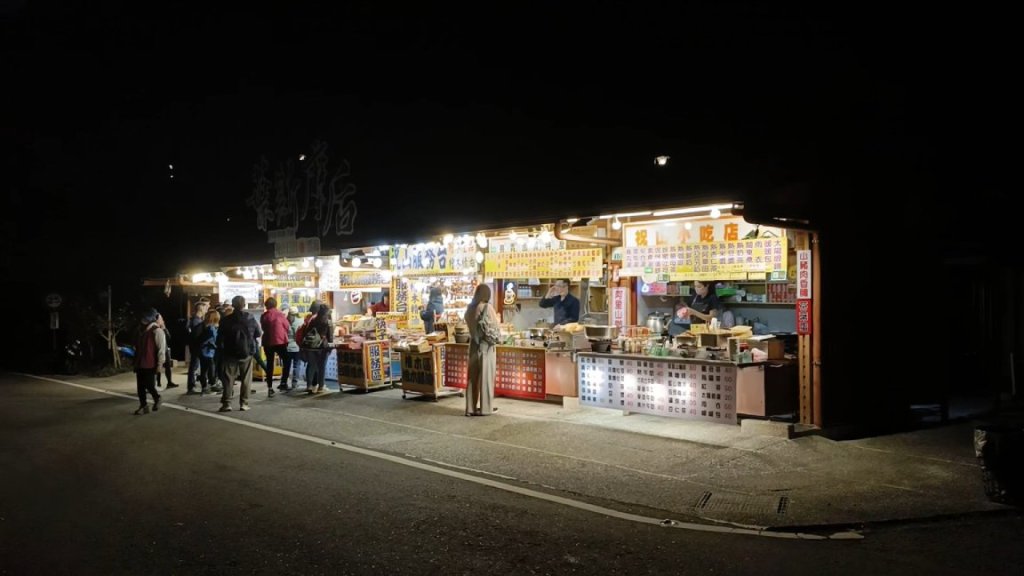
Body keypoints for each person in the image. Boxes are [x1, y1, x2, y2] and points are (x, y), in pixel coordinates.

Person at [215, 295, 261, 412]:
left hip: (229, 353)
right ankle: (244, 403)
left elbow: (220, 337)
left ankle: (227, 404)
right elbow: (258, 333)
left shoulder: (226, 320)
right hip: (247, 353)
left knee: (228, 379)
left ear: (233, 305)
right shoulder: (250, 318)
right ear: (244, 305)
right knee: (246, 379)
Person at [464, 283, 499, 416]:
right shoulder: (486, 307)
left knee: (472, 379)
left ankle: (470, 408)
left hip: (473, 345)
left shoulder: (470, 308)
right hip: (486, 346)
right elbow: (495, 327)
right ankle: (486, 408)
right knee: (486, 378)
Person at [133, 308, 166, 415]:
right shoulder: (141, 330)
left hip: (150, 363)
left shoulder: (157, 331)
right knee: (140, 387)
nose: (143, 319)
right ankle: (143, 406)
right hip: (140, 362)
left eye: (145, 317)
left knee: (149, 385)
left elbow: (161, 350)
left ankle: (157, 398)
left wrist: (160, 364)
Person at [259, 297, 291, 396]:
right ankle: (283, 382)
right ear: (276, 305)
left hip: (268, 341)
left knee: (269, 363)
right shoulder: (280, 314)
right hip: (280, 341)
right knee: (287, 360)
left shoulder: (264, 316)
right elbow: (287, 326)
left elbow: (263, 327)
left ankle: (270, 388)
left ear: (266, 305)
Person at [301, 304, 334, 394]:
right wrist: (330, 347)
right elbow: (330, 338)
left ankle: (309, 386)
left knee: (312, 366)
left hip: (311, 347)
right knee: (321, 367)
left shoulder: (313, 320)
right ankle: (321, 387)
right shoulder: (328, 322)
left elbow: (307, 332)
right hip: (322, 348)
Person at [186, 299, 210, 394]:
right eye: (205, 307)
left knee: (195, 366)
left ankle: (193, 386)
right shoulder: (197, 321)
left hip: (195, 346)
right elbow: (197, 335)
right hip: (197, 346)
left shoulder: (195, 319)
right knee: (194, 366)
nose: (206, 309)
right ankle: (191, 387)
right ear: (201, 309)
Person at [278, 305, 303, 391]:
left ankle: (283, 383)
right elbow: (299, 335)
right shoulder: (300, 321)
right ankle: (294, 384)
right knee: (296, 366)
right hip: (297, 347)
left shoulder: (285, 321)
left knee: (286, 366)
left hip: (287, 347)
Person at [198, 309, 220, 394]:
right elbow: (208, 341)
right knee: (208, 369)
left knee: (205, 370)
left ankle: (206, 386)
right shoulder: (210, 329)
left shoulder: (208, 327)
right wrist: (214, 345)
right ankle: (209, 385)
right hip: (207, 352)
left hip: (206, 352)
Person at [154, 313, 178, 389]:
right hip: (158, 350)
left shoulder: (162, 328)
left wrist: (164, 328)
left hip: (165, 349)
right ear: (156, 320)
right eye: (160, 319)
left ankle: (169, 382)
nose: (162, 320)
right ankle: (158, 382)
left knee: (168, 366)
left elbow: (168, 337)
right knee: (158, 365)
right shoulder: (155, 329)